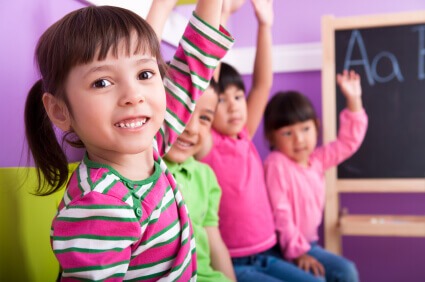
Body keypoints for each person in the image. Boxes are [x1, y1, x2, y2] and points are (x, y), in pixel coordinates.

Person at [24, 2, 233, 280]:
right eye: (102, 83)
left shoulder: (153, 143)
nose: (134, 95)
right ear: (60, 111)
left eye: (144, 74)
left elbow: (196, 60)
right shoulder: (99, 205)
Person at [197, 0, 322, 281]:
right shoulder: (207, 143)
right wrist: (224, 14)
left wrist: (265, 25)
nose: (233, 107)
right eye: (222, 101)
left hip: (270, 251)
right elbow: (207, 81)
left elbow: (263, 83)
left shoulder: (244, 134)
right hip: (235, 261)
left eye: (239, 98)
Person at [263, 70, 368, 282]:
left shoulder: (317, 160)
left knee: (347, 271)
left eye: (305, 129)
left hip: (308, 244)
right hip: (284, 247)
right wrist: (297, 252)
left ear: (316, 127)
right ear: (270, 136)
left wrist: (354, 100)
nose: (299, 139)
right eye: (287, 133)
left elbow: (348, 143)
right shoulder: (276, 163)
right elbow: (280, 212)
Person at [164, 79, 236, 282]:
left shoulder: (206, 177)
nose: (192, 128)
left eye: (204, 118)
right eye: (181, 111)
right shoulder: (144, 167)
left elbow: (214, 241)